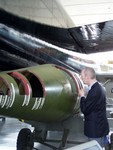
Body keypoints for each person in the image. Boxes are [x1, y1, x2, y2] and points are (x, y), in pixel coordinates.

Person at [78, 67, 109, 148]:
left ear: (87, 77)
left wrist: (82, 96)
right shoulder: (98, 87)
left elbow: (85, 109)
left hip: (95, 130)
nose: (81, 78)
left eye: (82, 76)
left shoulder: (95, 91)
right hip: (99, 127)